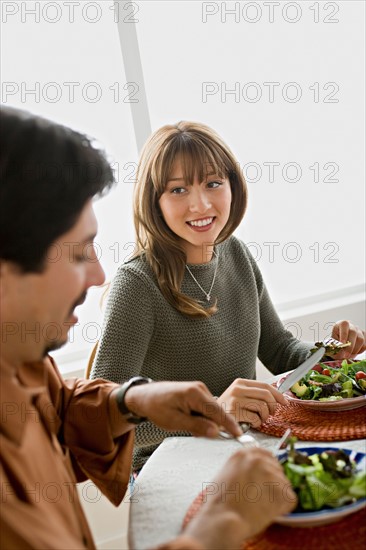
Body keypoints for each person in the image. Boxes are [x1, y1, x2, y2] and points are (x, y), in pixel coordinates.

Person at [0, 106, 296, 550]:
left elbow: (61, 411)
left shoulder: (22, 363)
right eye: (79, 254)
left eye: (214, 182)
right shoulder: (135, 283)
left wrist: (131, 400)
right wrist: (220, 525)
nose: (99, 275)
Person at [91, 121, 366, 473]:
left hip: (241, 446)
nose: (200, 204)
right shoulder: (136, 285)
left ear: (232, 186)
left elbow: (279, 350)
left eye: (213, 183)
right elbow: (101, 424)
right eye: (178, 190)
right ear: (154, 201)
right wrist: (211, 411)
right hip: (170, 467)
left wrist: (328, 354)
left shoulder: (235, 253)